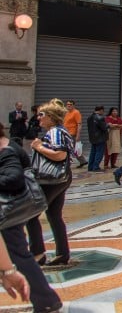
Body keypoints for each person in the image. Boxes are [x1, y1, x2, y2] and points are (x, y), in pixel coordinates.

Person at [0, 122, 62, 312]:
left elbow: (14, 179)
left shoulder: (7, 150)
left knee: (19, 255)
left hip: (10, 211)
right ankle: (46, 299)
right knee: (18, 254)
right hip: (11, 210)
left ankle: (46, 300)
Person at [27, 101, 74, 266]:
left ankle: (37, 253)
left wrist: (39, 147)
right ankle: (62, 254)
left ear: (51, 117)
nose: (38, 118)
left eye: (41, 115)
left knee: (31, 214)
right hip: (61, 177)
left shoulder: (55, 132)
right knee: (54, 215)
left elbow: (60, 155)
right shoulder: (59, 131)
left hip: (52, 179)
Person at [63, 100, 87, 168]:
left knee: (71, 149)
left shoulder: (76, 112)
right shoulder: (66, 113)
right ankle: (83, 161)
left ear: (73, 105)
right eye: (67, 104)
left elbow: (79, 124)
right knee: (72, 149)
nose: (69, 106)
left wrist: (78, 135)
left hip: (72, 133)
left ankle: (69, 162)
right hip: (66, 133)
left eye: (70, 104)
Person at [86, 105, 109, 172]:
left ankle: (90, 167)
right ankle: (96, 167)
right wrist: (108, 125)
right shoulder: (100, 118)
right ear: (101, 110)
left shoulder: (89, 117)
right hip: (100, 138)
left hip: (92, 138)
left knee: (93, 152)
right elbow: (104, 127)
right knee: (99, 153)